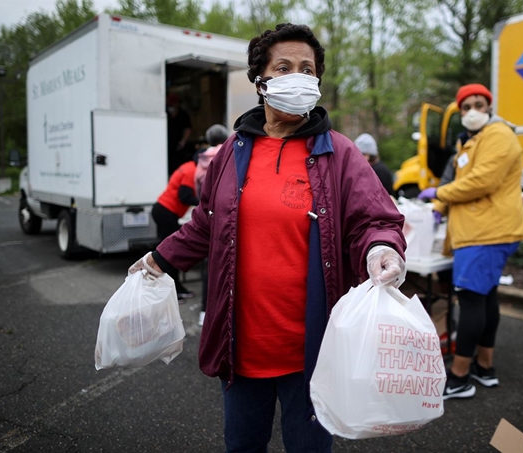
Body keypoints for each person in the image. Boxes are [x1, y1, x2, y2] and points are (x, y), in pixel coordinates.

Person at [130, 23, 407, 453]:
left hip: (313, 353)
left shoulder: (339, 152)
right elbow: (206, 222)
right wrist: (158, 260)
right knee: (242, 446)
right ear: (260, 81)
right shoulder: (233, 151)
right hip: (240, 349)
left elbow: (375, 218)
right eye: (284, 67)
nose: (298, 76)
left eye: (307, 69)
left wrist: (382, 247)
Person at [418, 83, 523, 400]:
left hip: (485, 232)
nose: (471, 112)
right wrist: (438, 207)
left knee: (469, 300)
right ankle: (484, 367)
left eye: (478, 105)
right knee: (484, 298)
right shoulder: (472, 141)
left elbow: (481, 182)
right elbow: (461, 180)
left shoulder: (498, 135)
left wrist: (438, 194)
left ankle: (460, 376)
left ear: (490, 107)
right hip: (482, 230)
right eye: (465, 107)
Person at [194, 124, 230, 327]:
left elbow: (198, 188)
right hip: (227, 219)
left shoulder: (201, 159)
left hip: (208, 218)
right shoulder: (229, 153)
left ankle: (204, 311)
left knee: (209, 266)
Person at [151, 156, 199, 300]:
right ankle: (175, 290)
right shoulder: (192, 171)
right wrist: (205, 202)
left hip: (161, 209)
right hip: (167, 212)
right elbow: (184, 196)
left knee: (166, 251)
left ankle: (164, 288)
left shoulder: (188, 166)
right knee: (172, 252)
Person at [354, 133, 396, 197]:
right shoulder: (370, 168)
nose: (360, 157)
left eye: (364, 154)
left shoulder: (379, 171)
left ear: (371, 155)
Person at [166, 92, 192, 176]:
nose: (172, 107)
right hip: (167, 144)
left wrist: (183, 141)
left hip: (179, 145)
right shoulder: (165, 113)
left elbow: (188, 128)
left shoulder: (183, 114)